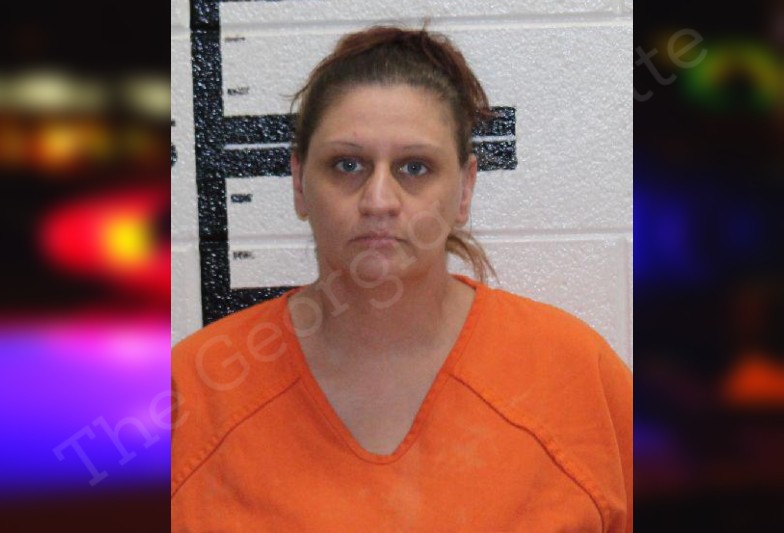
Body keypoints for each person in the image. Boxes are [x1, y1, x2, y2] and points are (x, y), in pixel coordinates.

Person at [171, 25, 632, 531]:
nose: (379, 201)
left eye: (415, 167)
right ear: (299, 182)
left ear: (465, 189)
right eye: (347, 164)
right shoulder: (194, 394)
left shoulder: (576, 379)